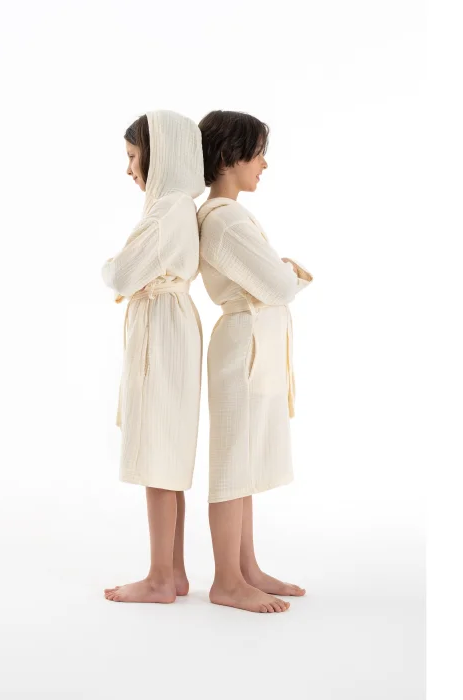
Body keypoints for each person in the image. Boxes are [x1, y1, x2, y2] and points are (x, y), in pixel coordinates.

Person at [197, 110, 313, 613]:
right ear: (230, 155)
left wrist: (281, 276)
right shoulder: (224, 219)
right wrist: (289, 272)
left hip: (250, 343)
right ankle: (226, 580)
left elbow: (274, 283)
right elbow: (279, 285)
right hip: (242, 346)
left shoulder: (227, 216)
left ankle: (246, 568)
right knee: (231, 463)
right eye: (259, 153)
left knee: (241, 461)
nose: (264, 164)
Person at [102, 110, 204, 604]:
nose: (128, 169)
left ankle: (160, 577)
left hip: (161, 329)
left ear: (158, 155)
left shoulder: (165, 212)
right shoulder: (178, 207)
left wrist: (113, 267)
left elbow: (121, 275)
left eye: (133, 156)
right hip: (172, 323)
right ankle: (174, 571)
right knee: (169, 450)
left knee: (158, 452)